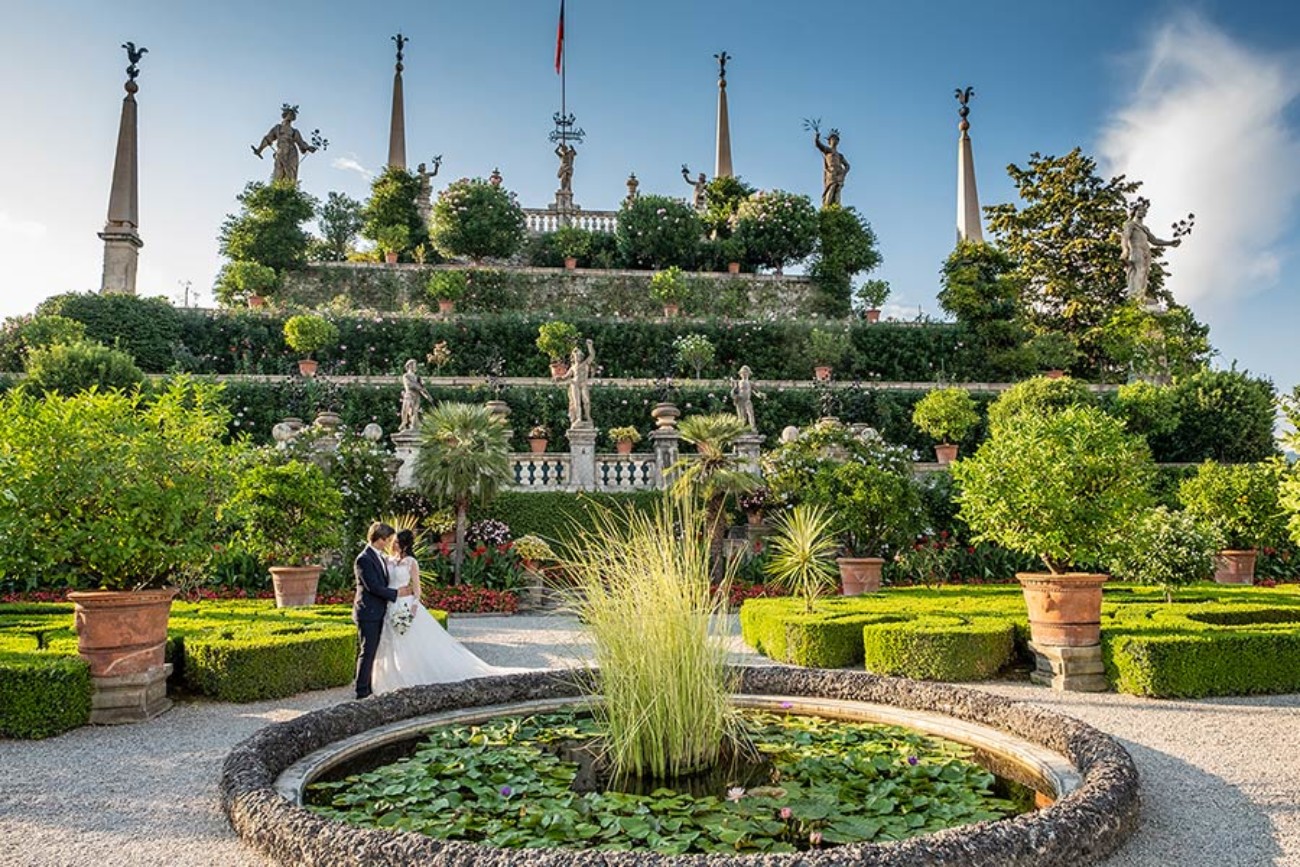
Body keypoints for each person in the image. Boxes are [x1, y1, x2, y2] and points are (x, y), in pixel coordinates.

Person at [371, 529, 522, 692]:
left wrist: (413, 609)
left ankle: (410, 675)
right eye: (393, 541)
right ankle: (390, 678)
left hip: (405, 605)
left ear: (405, 545)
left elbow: (417, 589)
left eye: (397, 542)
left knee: (409, 641)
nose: (393, 544)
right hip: (390, 603)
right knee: (389, 641)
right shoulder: (387, 560)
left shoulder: (411, 562)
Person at [353, 522, 413, 700]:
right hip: (368, 612)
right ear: (379, 539)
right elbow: (373, 587)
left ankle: (369, 686)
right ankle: (362, 691)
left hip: (379, 610)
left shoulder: (378, 556)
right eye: (387, 540)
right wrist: (397, 593)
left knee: (374, 651)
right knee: (368, 651)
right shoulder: (363, 558)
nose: (389, 543)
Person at [1120, 198, 1180, 307]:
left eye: (1144, 211)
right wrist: (1125, 250)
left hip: (1146, 252)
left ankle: (1141, 294)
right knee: (1140, 271)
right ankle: (1136, 295)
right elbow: (1125, 238)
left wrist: (1170, 243)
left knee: (1144, 274)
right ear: (1135, 211)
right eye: (1140, 210)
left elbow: (1155, 241)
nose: (1142, 212)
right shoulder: (1130, 224)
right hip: (1136, 250)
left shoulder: (1145, 228)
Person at [252, 104, 317, 184]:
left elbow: (301, 143)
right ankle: (277, 191)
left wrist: (309, 148)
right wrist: (259, 149)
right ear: (285, 115)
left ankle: (289, 191)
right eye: (290, 114)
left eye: (293, 115)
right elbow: (268, 138)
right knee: (278, 173)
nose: (291, 116)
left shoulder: (294, 131)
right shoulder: (278, 128)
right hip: (281, 152)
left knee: (290, 174)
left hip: (292, 152)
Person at [814, 129, 850, 208]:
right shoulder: (828, 150)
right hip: (831, 172)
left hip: (839, 172)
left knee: (838, 189)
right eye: (833, 139)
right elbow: (818, 145)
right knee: (831, 187)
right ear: (829, 141)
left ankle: (837, 206)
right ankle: (827, 207)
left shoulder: (840, 155)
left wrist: (843, 173)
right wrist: (816, 138)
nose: (835, 141)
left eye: (837, 139)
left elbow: (847, 165)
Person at [399, 359, 432, 431]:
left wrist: (427, 396)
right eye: (414, 365)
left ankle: (414, 426)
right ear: (409, 366)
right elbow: (410, 385)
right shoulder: (406, 376)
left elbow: (423, 388)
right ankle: (404, 422)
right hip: (409, 395)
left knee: (415, 411)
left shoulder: (417, 377)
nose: (415, 367)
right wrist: (420, 388)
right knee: (406, 409)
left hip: (416, 396)